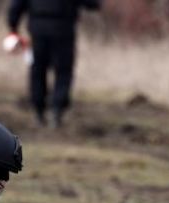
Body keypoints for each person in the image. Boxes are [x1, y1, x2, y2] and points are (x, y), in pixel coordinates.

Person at [7, 0, 101, 128]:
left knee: (38, 71)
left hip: (38, 31)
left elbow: (17, 5)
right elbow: (92, 4)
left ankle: (39, 111)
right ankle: (57, 110)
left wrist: (13, 26)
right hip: (64, 31)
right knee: (63, 71)